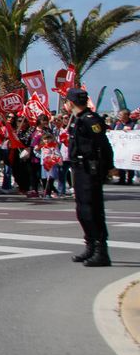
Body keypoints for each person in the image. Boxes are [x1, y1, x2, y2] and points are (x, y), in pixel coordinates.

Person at [66, 89, 113, 267]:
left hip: (89, 170)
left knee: (92, 210)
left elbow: (103, 143)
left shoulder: (90, 120)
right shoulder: (78, 120)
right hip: (80, 169)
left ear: (71, 103)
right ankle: (91, 245)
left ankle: (101, 251)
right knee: (83, 210)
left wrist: (109, 166)